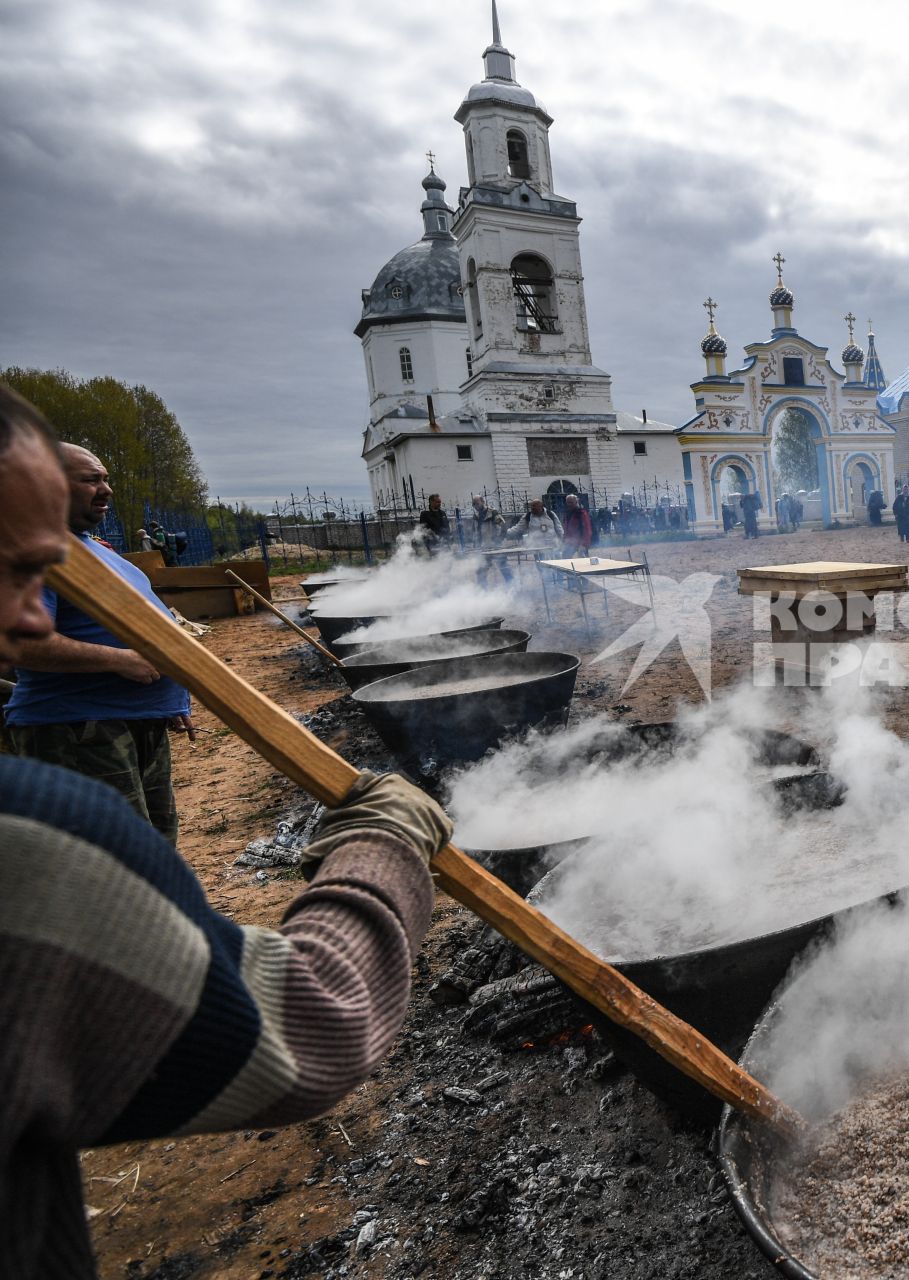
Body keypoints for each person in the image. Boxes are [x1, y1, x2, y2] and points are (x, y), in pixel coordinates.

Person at [0, 382, 453, 1280]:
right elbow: (303, 1034)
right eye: (14, 571)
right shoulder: (31, 849)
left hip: (129, 728)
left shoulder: (111, 558)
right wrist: (386, 841)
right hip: (85, 734)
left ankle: (173, 950)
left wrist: (165, 690)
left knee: (151, 856)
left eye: (34, 573)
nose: (25, 617)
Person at [4, 443, 196, 843]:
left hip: (134, 721)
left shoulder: (94, 550)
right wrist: (121, 661)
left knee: (156, 850)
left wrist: (170, 701)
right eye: (91, 480)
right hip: (78, 728)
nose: (106, 489)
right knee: (116, 862)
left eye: (106, 478)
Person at [561, 492, 594, 557]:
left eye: (571, 502)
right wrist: (564, 539)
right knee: (565, 556)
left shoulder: (581, 513)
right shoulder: (567, 513)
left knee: (583, 560)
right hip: (570, 541)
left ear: (576, 502)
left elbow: (587, 529)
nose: (569, 504)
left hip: (581, 541)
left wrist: (585, 543)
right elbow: (566, 528)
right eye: (568, 502)